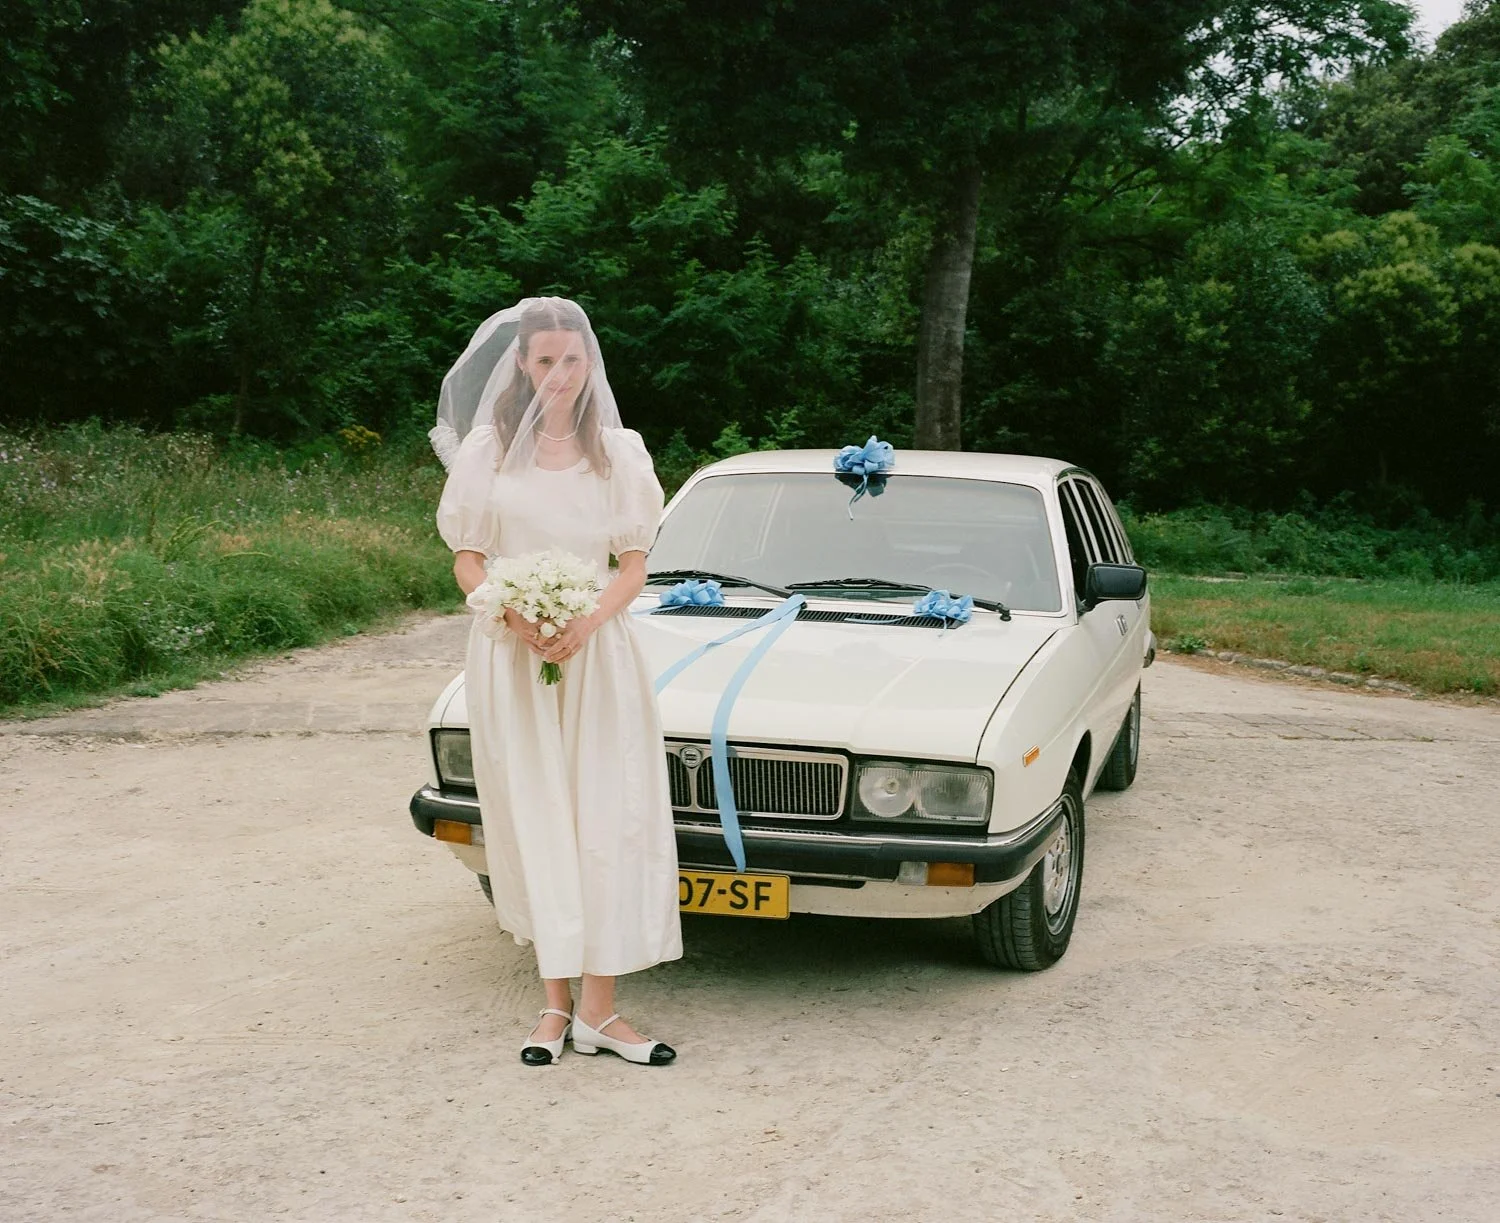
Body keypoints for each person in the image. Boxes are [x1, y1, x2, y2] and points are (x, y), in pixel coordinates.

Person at [433, 297, 681, 1066]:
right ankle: (552, 1005)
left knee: (606, 816)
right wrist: (512, 615)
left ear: (588, 364)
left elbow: (634, 564)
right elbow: (468, 555)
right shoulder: (487, 450)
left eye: (573, 360)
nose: (561, 375)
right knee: (538, 815)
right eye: (546, 360)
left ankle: (600, 1012)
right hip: (515, 657)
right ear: (521, 364)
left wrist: (585, 620)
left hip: (598, 655)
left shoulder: (620, 452)